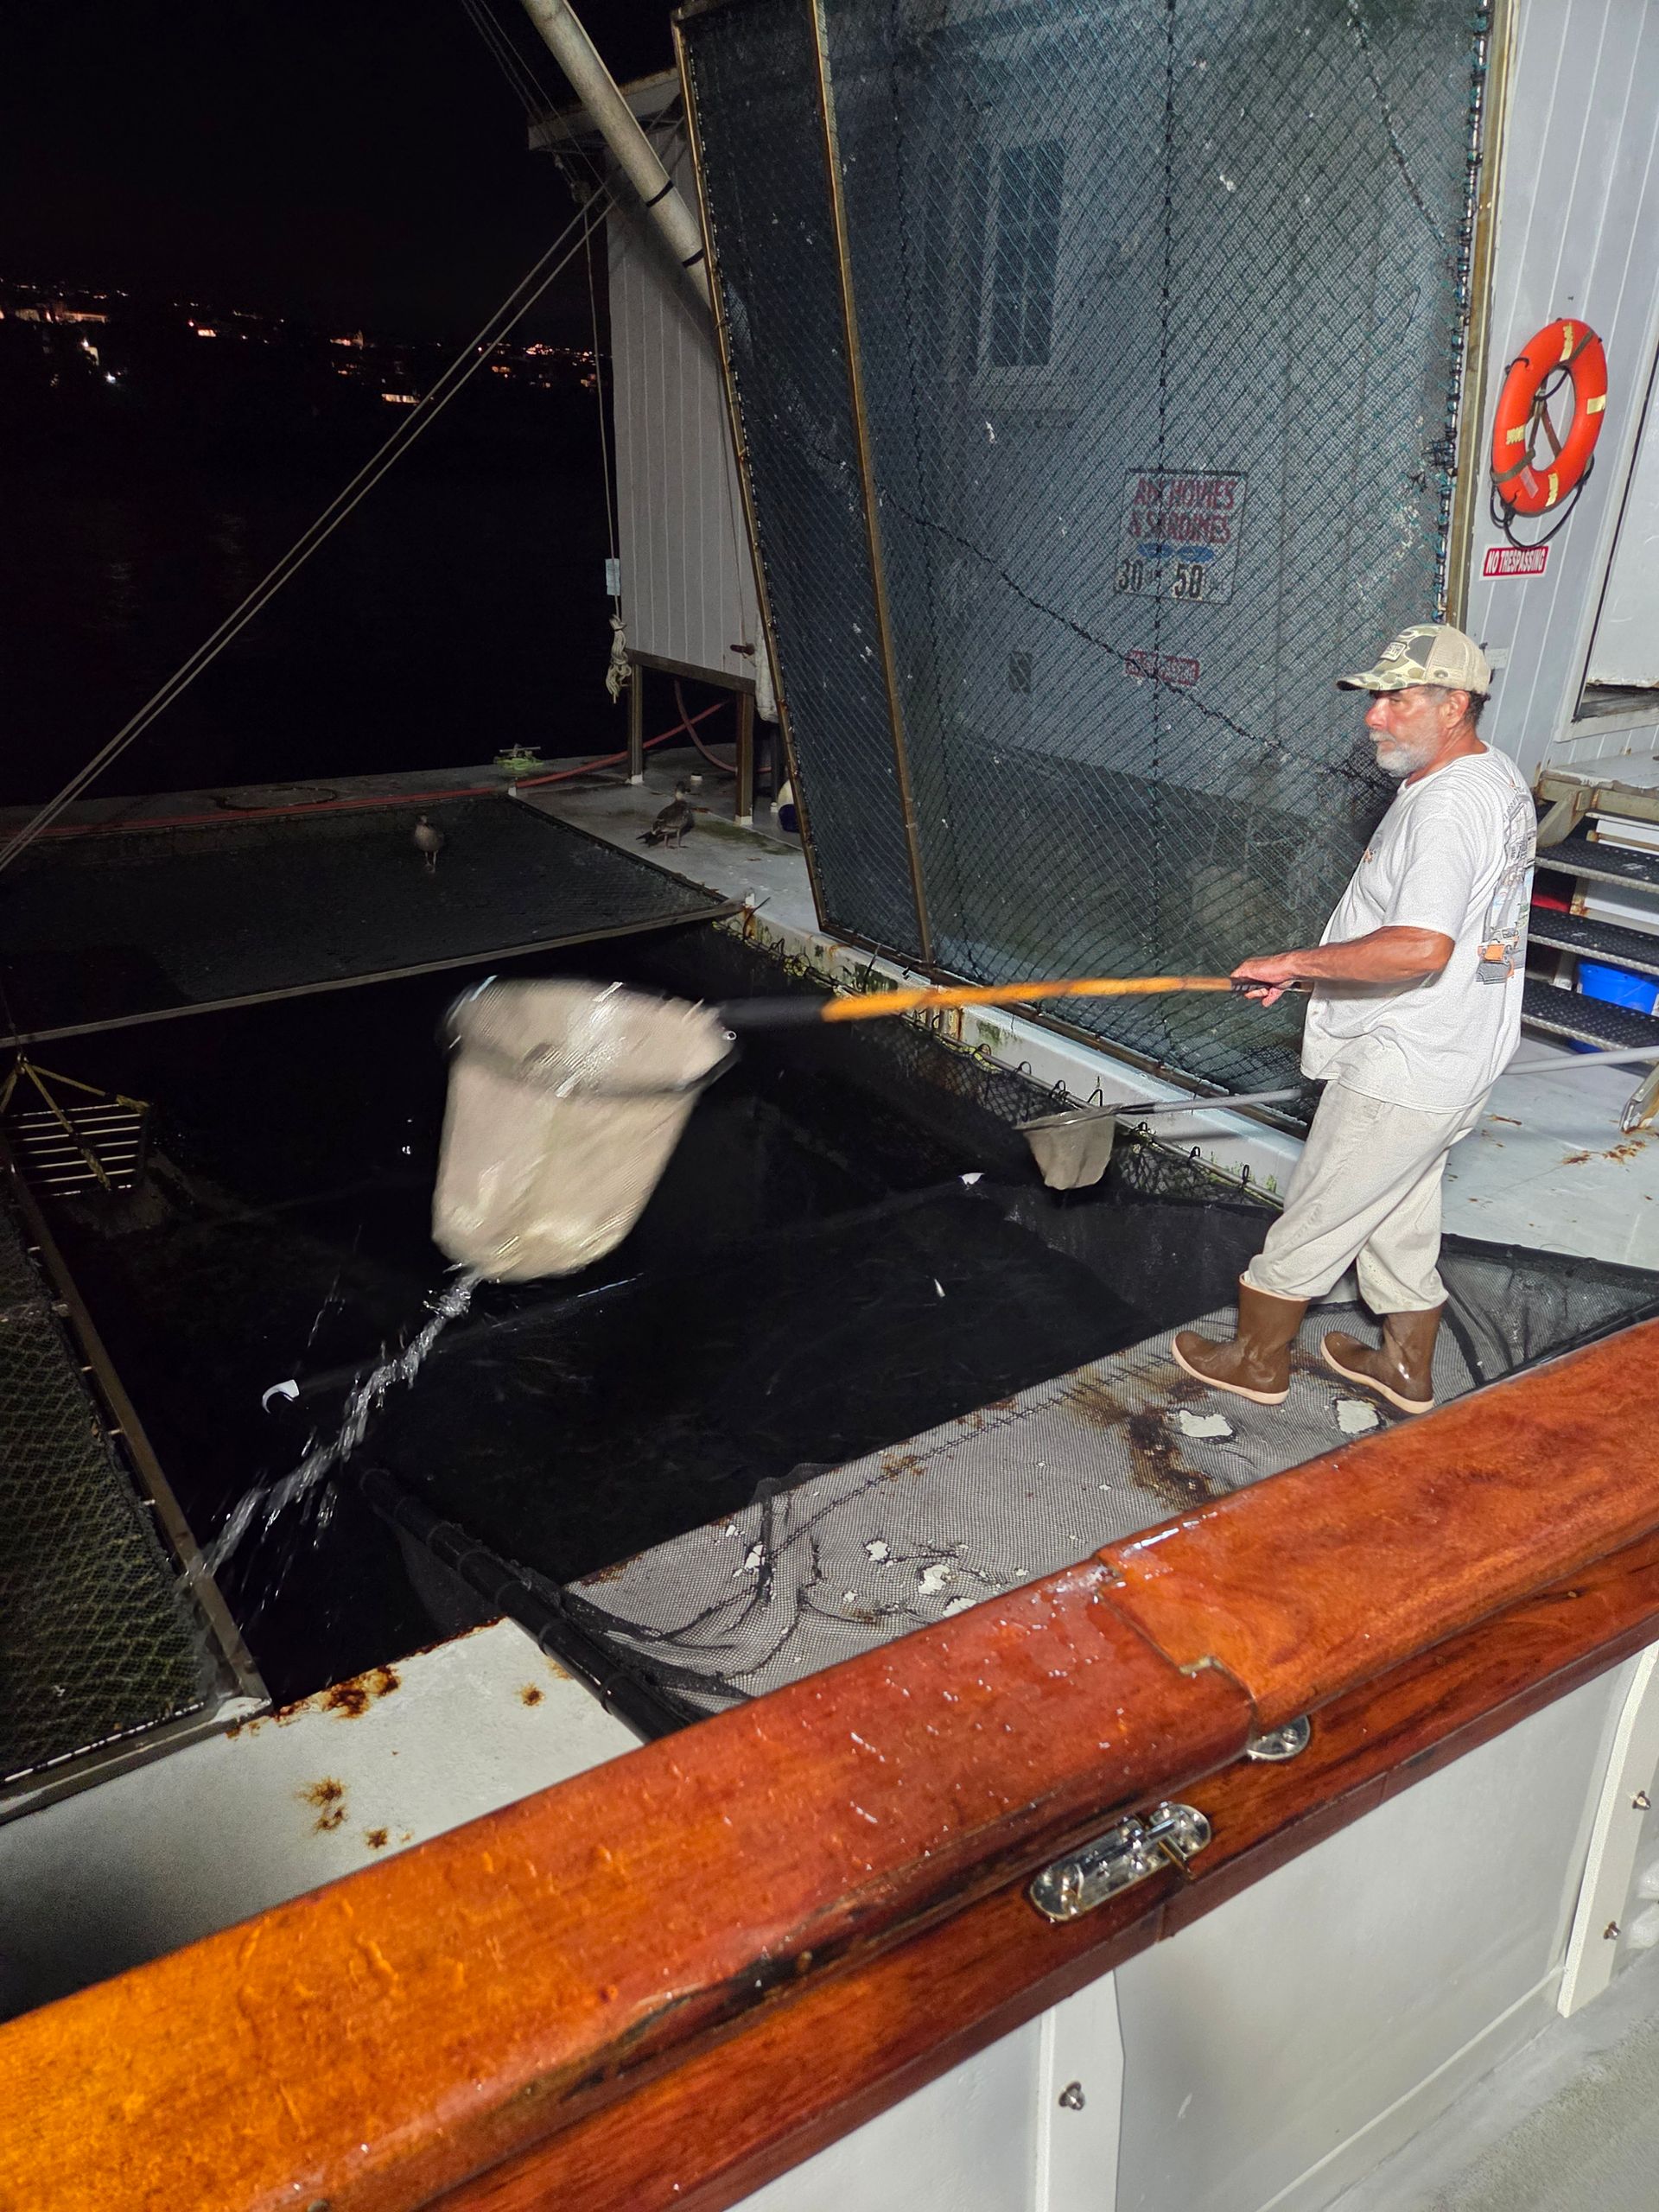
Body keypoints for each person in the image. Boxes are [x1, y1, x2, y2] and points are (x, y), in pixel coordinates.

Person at [1172, 621, 1535, 1416]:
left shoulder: (1446, 809)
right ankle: (1404, 1366)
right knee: (1397, 1205)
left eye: (1397, 700)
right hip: (1458, 1048)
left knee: (1324, 1204)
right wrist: (1321, 978)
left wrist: (1298, 963)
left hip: (1407, 1057)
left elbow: (1418, 948)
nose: (1375, 718)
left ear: (1455, 705)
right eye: (1375, 698)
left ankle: (1257, 1360)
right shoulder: (1494, 778)